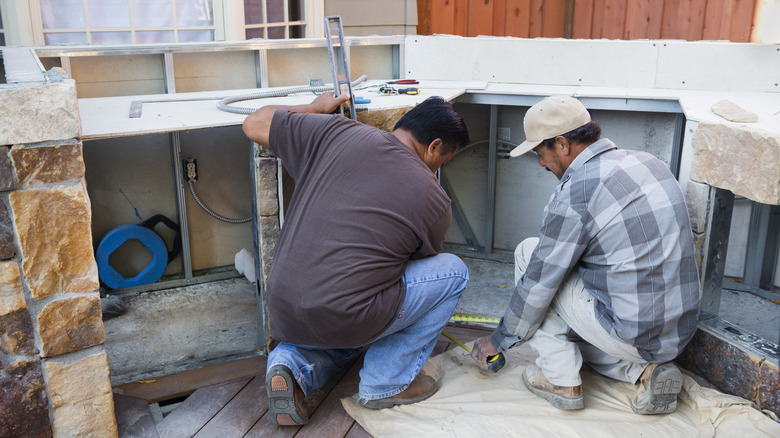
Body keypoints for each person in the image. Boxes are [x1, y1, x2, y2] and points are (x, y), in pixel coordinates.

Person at [242, 92, 471, 426]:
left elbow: (254, 121)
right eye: (443, 160)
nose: (438, 168)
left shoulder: (333, 131)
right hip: (348, 314)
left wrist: (316, 110)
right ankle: (386, 383)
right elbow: (417, 262)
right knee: (453, 272)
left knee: (346, 325)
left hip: (284, 307)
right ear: (434, 146)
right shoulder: (433, 198)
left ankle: (290, 364)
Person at [470, 95, 701, 415]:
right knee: (577, 301)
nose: (540, 163)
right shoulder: (649, 162)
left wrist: (498, 340)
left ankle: (559, 379)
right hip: (680, 332)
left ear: (562, 144)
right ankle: (641, 372)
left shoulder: (575, 192)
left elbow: (537, 283)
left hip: (634, 335)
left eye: (540, 152)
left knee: (530, 256)